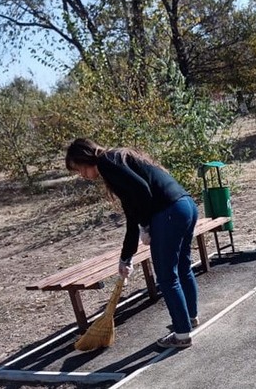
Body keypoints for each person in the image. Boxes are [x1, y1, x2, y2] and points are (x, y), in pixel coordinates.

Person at [65, 138, 200, 348]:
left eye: (79, 168)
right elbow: (131, 214)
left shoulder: (106, 162)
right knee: (182, 267)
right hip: (186, 206)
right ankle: (189, 319)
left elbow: (141, 189)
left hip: (169, 212)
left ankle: (182, 334)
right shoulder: (117, 159)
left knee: (166, 276)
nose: (82, 175)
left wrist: (146, 225)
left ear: (85, 158)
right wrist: (126, 257)